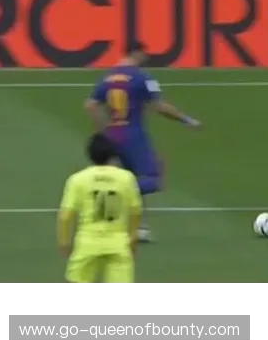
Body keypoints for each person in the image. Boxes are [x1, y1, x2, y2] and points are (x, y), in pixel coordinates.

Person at [84, 42, 201, 241]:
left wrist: (102, 131)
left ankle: (137, 227)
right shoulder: (141, 78)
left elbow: (90, 104)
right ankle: (111, 195)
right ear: (136, 53)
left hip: (112, 134)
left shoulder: (108, 77)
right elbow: (160, 106)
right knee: (152, 179)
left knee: (132, 176)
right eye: (144, 54)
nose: (146, 58)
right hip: (133, 135)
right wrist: (186, 119)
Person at [57, 133, 142, 283]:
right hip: (118, 244)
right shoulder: (126, 178)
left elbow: (65, 216)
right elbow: (135, 211)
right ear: (111, 154)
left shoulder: (77, 179)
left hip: (87, 243)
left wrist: (64, 242)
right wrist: (133, 238)